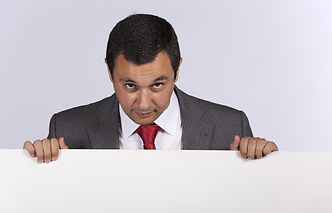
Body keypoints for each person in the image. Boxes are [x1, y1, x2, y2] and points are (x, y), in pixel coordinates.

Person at [24, 14, 278, 163]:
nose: (144, 104)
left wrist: (268, 168)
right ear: (109, 72)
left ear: (177, 70)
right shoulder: (67, 129)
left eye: (158, 84)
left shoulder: (231, 126)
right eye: (130, 85)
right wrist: (41, 171)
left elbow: (251, 212)